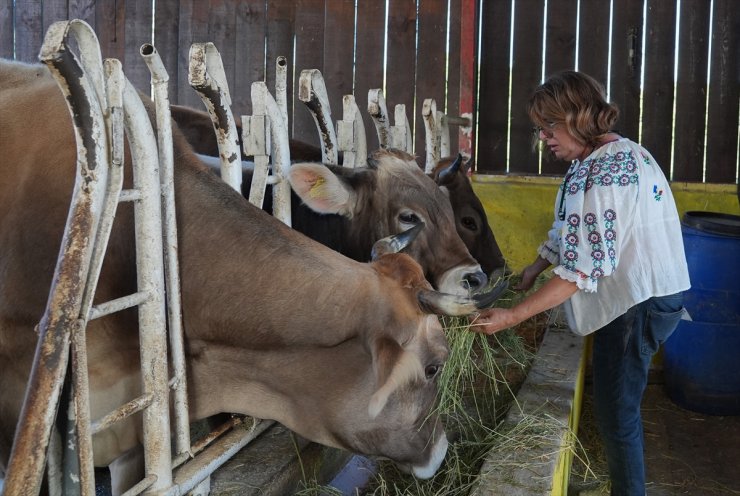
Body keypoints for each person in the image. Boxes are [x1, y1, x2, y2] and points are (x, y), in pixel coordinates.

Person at [471, 71, 690, 496]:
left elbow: (585, 269)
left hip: (637, 301)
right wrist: (536, 266)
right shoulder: (612, 156)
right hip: (650, 291)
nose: (544, 138)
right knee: (617, 403)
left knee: (616, 412)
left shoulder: (603, 174)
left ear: (577, 116)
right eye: (540, 129)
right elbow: (572, 228)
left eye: (550, 126)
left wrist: (514, 315)